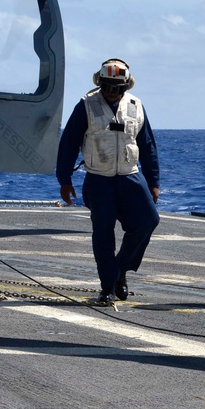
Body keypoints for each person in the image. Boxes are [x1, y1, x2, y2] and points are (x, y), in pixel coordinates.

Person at [56, 58, 161, 306]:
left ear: (126, 86)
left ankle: (119, 271)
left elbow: (148, 147)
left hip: (130, 177)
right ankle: (108, 286)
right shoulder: (86, 106)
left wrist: (153, 181)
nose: (113, 92)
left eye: (118, 87)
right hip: (99, 180)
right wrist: (65, 179)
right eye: (108, 86)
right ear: (100, 83)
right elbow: (68, 144)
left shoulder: (136, 106)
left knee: (149, 220)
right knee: (103, 234)